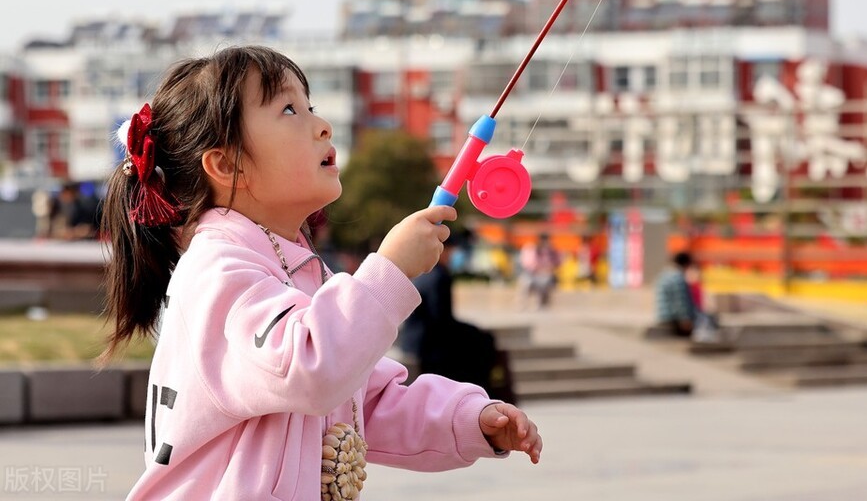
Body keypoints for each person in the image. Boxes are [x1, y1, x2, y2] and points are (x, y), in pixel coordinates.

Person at [101, 45, 541, 500]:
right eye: (289, 109)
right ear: (227, 165)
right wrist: (390, 269)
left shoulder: (297, 268)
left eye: (310, 106)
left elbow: (366, 398)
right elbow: (310, 366)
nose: (322, 125)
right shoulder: (219, 268)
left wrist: (468, 419)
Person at [398, 232, 516, 403]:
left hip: (417, 338)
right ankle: (481, 395)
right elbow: (442, 320)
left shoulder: (422, 273)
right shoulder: (439, 276)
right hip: (429, 344)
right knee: (483, 343)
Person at [655, 252, 706, 338]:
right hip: (674, 319)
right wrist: (685, 319)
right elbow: (680, 301)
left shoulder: (664, 275)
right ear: (686, 264)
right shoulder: (677, 277)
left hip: (664, 315)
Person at [519, 232, 560, 309]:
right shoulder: (531, 248)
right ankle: (523, 305)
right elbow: (528, 264)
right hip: (532, 274)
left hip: (546, 275)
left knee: (545, 283)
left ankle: (542, 304)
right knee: (526, 282)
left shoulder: (552, 251)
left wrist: (548, 268)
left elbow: (556, 264)